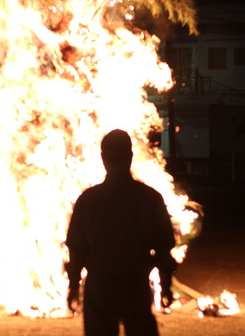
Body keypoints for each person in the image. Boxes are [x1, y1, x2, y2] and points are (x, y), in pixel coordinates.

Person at [65, 129, 177, 336]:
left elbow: (77, 249)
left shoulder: (88, 200)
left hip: (100, 285)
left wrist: (73, 286)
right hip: (135, 284)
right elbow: (164, 249)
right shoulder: (150, 198)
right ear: (130, 157)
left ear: (103, 158)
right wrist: (167, 286)